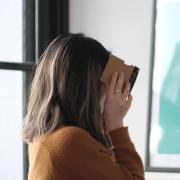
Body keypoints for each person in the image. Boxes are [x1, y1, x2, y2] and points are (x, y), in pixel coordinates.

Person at [22, 33, 144, 180]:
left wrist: (104, 122)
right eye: (105, 83)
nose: (108, 90)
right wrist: (116, 124)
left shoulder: (46, 138)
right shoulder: (69, 141)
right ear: (88, 88)